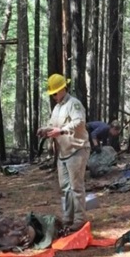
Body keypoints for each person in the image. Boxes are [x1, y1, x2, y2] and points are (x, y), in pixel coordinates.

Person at [37, 74, 90, 232]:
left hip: (77, 150)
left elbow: (79, 121)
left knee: (76, 187)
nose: (53, 96)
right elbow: (53, 124)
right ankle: (68, 217)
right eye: (51, 94)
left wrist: (61, 131)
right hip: (63, 153)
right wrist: (45, 129)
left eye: (55, 93)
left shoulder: (74, 104)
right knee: (65, 187)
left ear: (62, 89)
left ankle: (80, 219)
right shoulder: (57, 107)